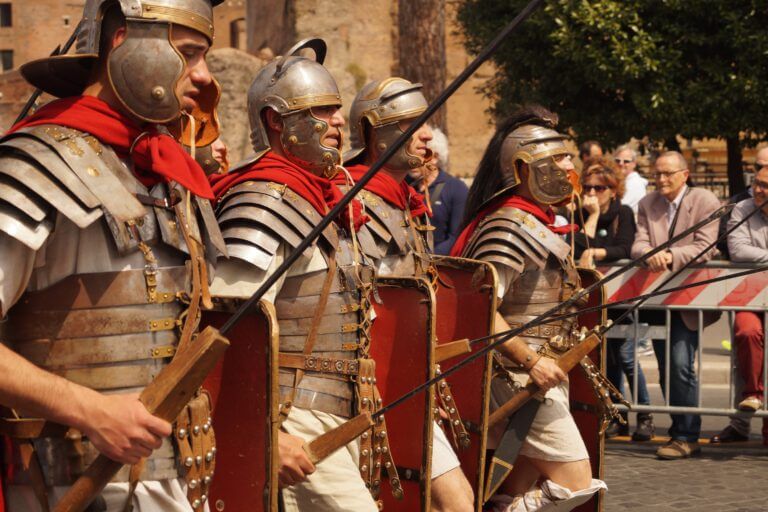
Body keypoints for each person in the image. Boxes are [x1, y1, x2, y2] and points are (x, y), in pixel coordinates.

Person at [0, 1, 225, 510]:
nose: (205, 78)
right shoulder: (36, 166)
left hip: (181, 479)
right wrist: (89, 411)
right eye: (189, 55)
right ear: (123, 41)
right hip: (68, 486)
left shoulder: (166, 172)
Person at [209, 41, 403, 511]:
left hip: (342, 411)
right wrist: (268, 433)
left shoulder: (321, 198)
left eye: (337, 110)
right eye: (321, 110)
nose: (338, 122)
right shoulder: (265, 201)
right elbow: (228, 330)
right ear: (277, 121)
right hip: (293, 414)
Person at [452, 105, 606, 511]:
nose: (570, 166)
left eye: (568, 155)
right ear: (524, 168)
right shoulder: (508, 226)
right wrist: (531, 359)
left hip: (544, 373)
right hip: (516, 374)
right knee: (576, 479)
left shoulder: (540, 222)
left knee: (515, 483)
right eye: (558, 158)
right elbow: (481, 311)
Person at [342, 77, 475, 512]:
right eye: (414, 123)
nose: (426, 135)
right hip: (364, 386)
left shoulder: (403, 201)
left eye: (427, 124)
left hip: (409, 380)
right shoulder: (353, 199)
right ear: (376, 131)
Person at [631, 150, 721, 460]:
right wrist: (649, 253)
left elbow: (706, 245)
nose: (661, 179)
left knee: (681, 364)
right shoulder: (646, 204)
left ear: (685, 174)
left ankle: (686, 434)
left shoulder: (705, 200)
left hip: (688, 300)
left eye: (668, 173)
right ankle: (680, 430)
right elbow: (639, 243)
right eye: (657, 173)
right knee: (667, 369)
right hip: (657, 300)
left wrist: (669, 256)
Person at [568, 157, 654, 442]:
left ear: (613, 190)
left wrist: (596, 253)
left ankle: (645, 414)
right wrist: (590, 218)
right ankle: (618, 415)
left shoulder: (623, 212)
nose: (592, 193)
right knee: (610, 358)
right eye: (588, 187)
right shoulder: (580, 213)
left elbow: (624, 247)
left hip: (622, 296)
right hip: (595, 298)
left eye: (600, 188)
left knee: (628, 356)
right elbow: (578, 245)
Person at [710, 166, 768, 446]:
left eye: (765, 186)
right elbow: (738, 249)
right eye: (756, 183)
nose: (759, 190)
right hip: (750, 296)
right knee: (746, 332)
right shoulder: (742, 208)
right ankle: (753, 395)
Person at [408, 125, 469, 255]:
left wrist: (428, 258)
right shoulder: (406, 185)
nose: (412, 161)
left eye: (419, 156)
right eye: (410, 155)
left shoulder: (456, 188)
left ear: (434, 157)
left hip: (438, 265)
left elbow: (457, 236)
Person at [614, 145, 647, 215]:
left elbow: (617, 209)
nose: (621, 163)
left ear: (634, 164)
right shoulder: (621, 181)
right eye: (617, 160)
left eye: (626, 161)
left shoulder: (635, 184)